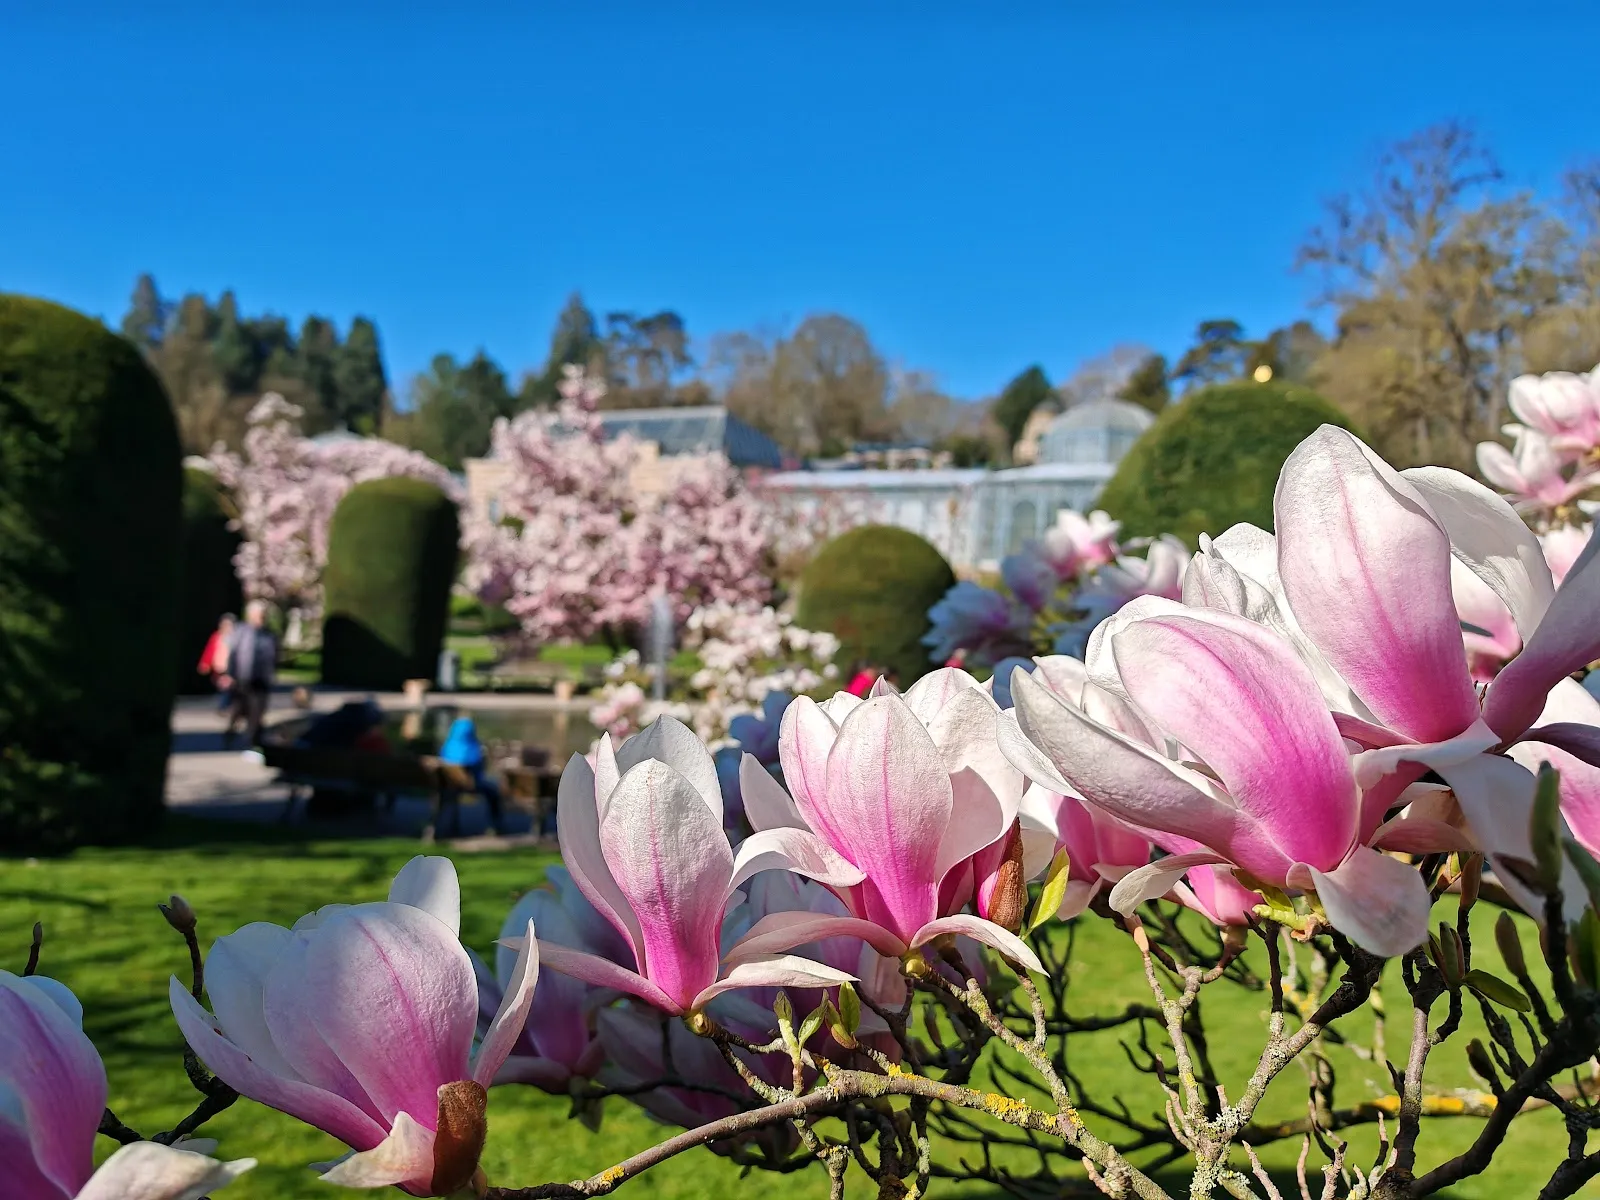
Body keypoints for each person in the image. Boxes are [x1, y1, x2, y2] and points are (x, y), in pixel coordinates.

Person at [224, 600, 278, 751]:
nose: (262, 618)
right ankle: (230, 732)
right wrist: (231, 674)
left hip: (261, 679)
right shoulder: (241, 631)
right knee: (239, 709)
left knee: (257, 710)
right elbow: (233, 654)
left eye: (263, 616)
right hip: (243, 677)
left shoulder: (269, 635)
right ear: (250, 616)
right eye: (259, 615)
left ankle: (252, 741)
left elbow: (274, 656)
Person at [438, 716, 502, 833]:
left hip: (448, 785)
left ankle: (451, 824)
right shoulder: (472, 748)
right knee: (493, 792)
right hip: (469, 785)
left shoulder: (447, 746)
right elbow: (479, 771)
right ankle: (495, 825)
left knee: (452, 793)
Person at [198, 613, 236, 709]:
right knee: (223, 687)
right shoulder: (216, 637)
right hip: (218, 666)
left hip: (230, 667)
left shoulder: (236, 638)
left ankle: (224, 706)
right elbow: (209, 650)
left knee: (227, 687)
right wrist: (205, 663)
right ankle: (224, 705)